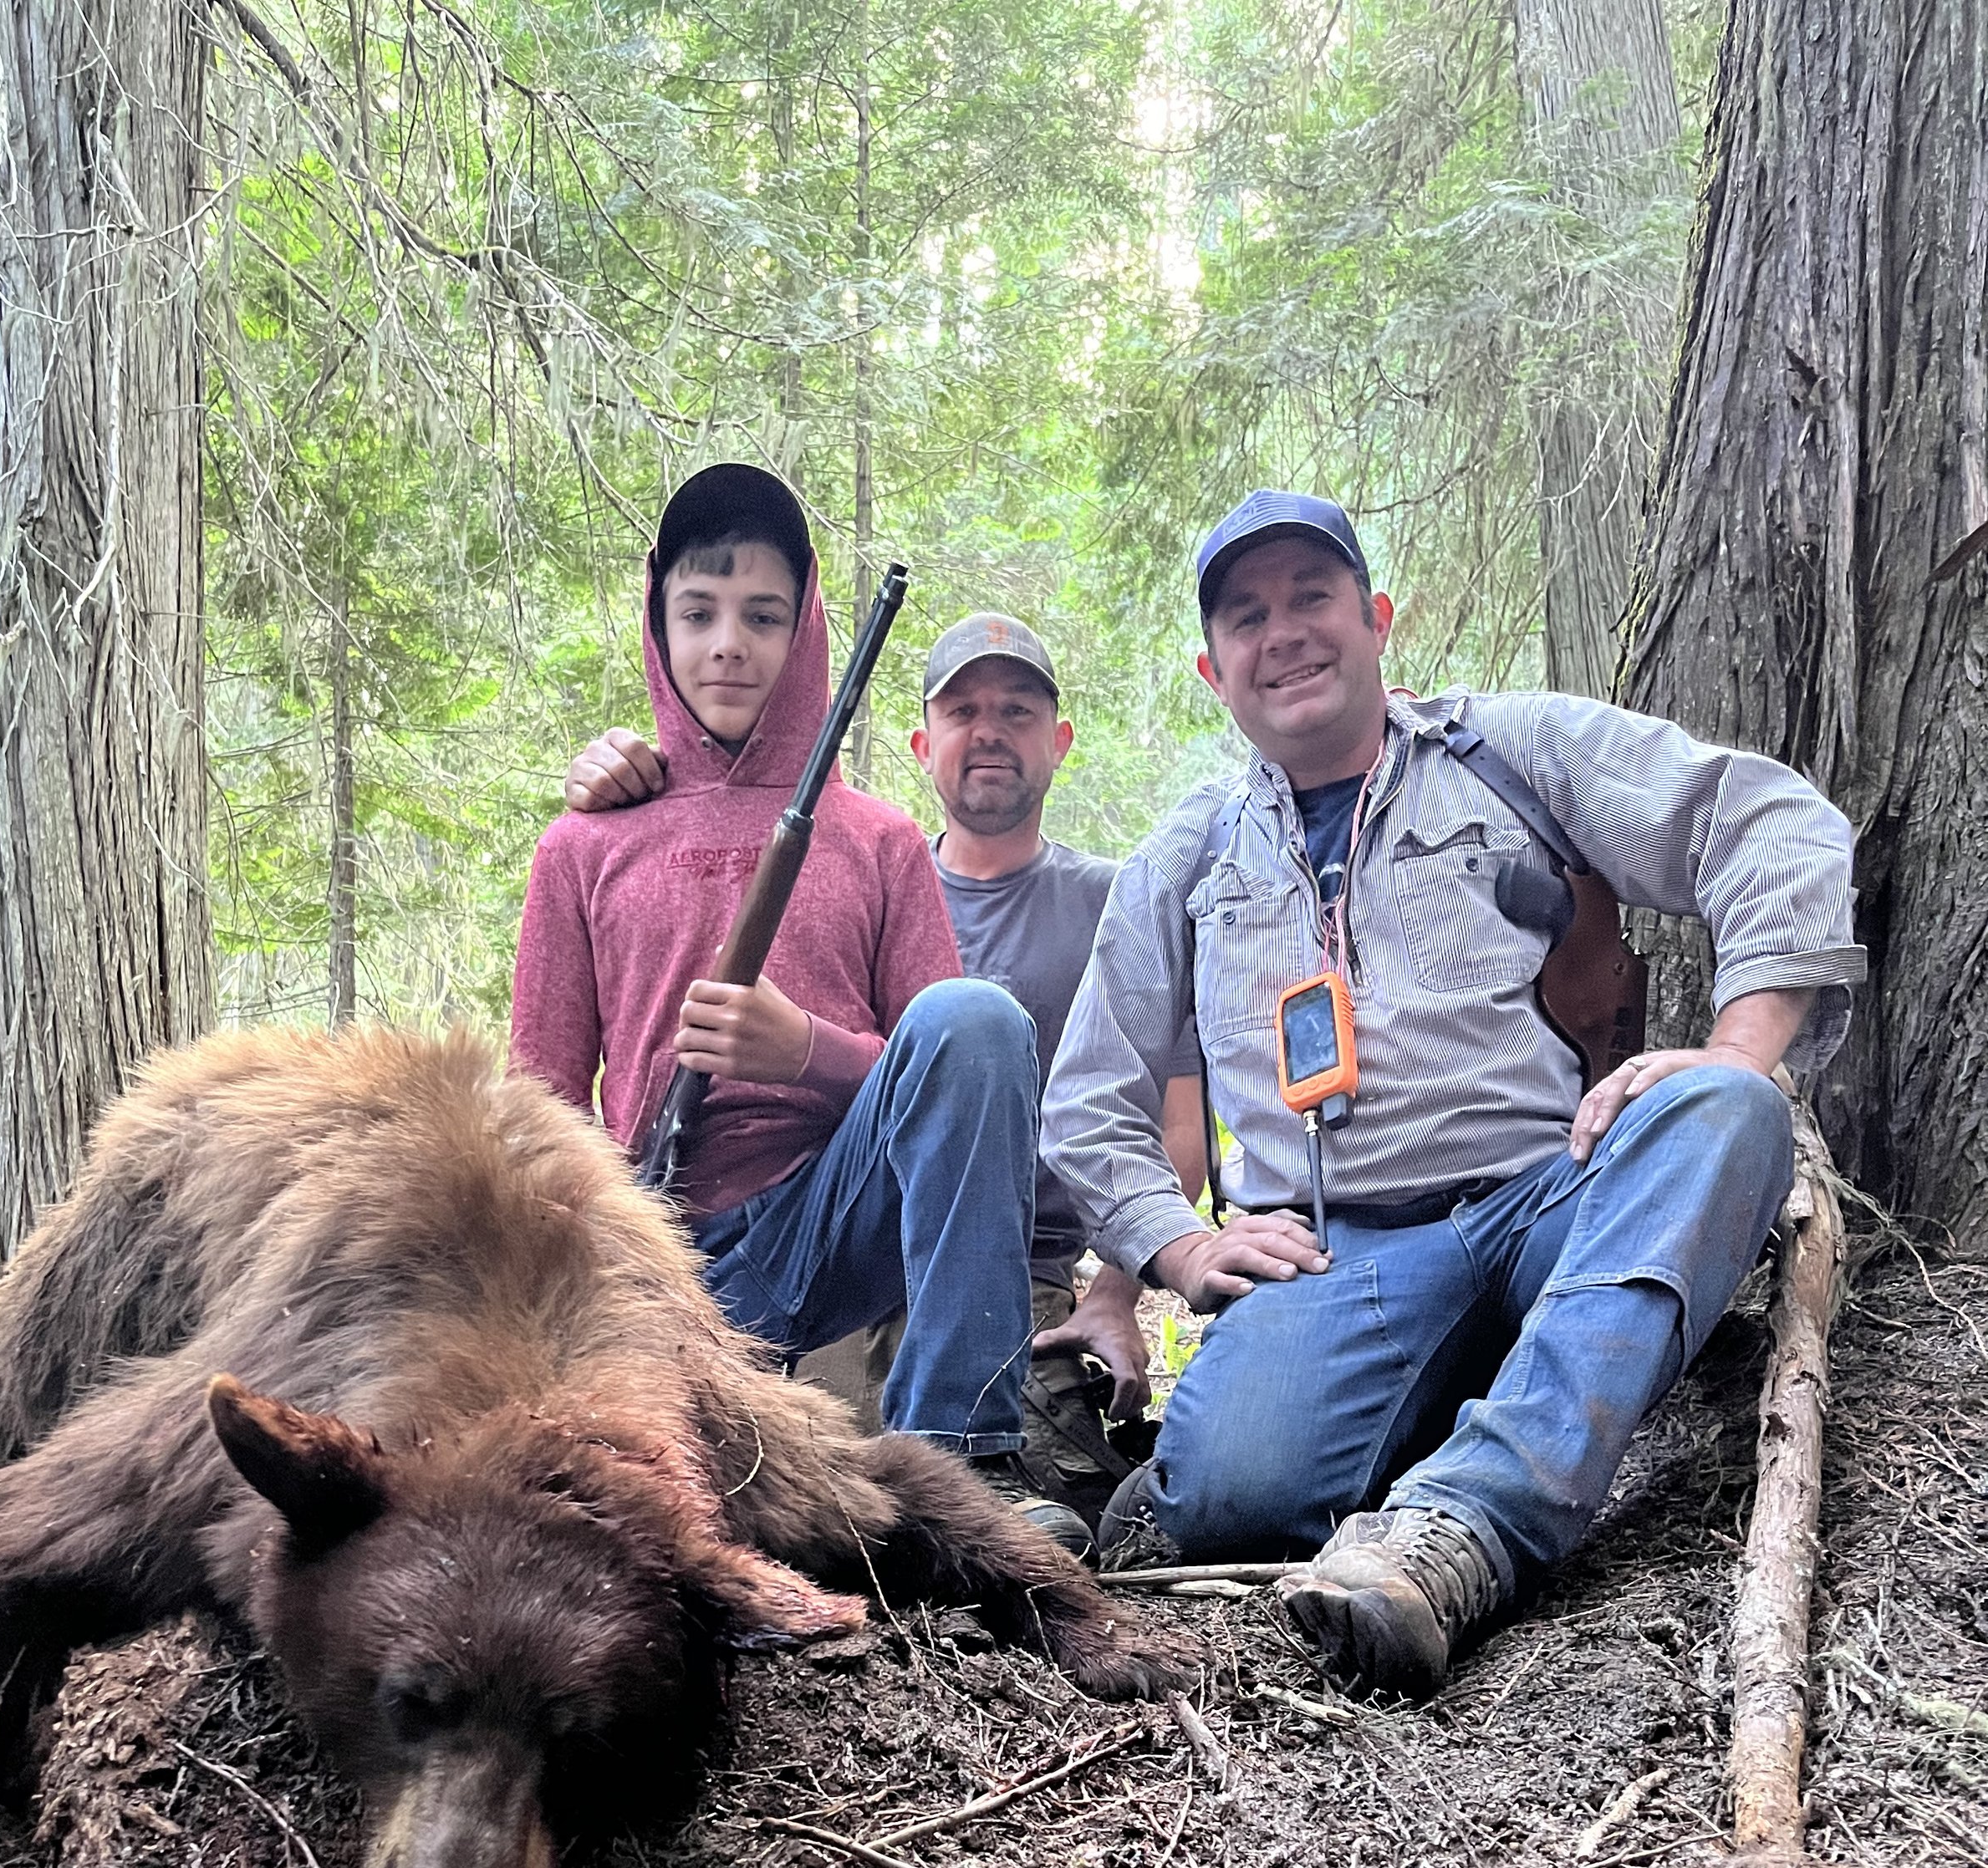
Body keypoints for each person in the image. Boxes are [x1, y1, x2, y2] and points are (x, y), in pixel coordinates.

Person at [1042, 489, 1862, 1695]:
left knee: (1728, 1114)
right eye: (1249, 617)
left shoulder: (1510, 752)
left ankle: (1465, 1528)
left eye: (1314, 598)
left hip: (1547, 1201)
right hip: (1337, 1259)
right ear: (1213, 672)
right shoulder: (1190, 856)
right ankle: (1439, 1402)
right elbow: (1087, 1098)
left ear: (1376, 619)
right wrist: (1171, 1246)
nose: (1287, 634)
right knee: (1222, 1496)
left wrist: (1742, 1045)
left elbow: (1770, 820)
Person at [512, 463, 1087, 1550]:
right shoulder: (581, 845)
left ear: (807, 629)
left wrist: (808, 1053)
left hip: (835, 1234)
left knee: (979, 1015)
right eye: (700, 612)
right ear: (659, 627)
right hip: (656, 1255)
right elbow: (537, 1107)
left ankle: (967, 1467)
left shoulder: (873, 839)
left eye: (763, 615)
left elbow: (954, 1071)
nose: (730, 642)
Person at [561, 612, 1209, 1505]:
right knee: (799, 1495)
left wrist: (1117, 1293)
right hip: (841, 1263)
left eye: (1018, 711)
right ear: (921, 743)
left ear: (1060, 740)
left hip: (1015, 1277)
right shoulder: (857, 857)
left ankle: (968, 1456)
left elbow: (1181, 1136)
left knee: (1073, 1492)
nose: (989, 732)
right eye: (963, 711)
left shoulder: (1114, 903)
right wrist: (651, 776)